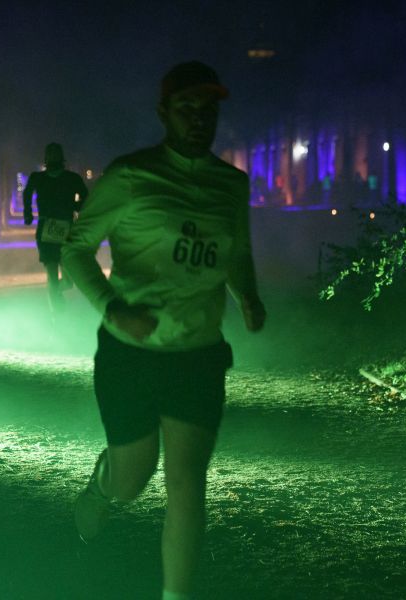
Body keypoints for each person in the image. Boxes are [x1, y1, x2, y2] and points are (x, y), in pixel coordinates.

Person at [62, 61, 266, 600]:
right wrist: (113, 309)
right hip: (131, 353)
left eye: (208, 110)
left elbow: (237, 254)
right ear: (163, 113)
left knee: (187, 484)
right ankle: (103, 485)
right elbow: (76, 249)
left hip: (198, 355)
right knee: (134, 478)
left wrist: (247, 294)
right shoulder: (131, 176)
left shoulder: (231, 185)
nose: (199, 120)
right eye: (186, 109)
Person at [22, 143, 89, 311]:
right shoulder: (40, 178)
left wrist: (75, 207)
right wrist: (28, 213)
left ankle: (55, 296)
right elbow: (27, 193)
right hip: (50, 229)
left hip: (63, 229)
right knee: (53, 278)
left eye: (55, 153)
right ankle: (55, 313)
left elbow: (86, 196)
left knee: (68, 281)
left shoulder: (71, 178)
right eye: (50, 154)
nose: (53, 157)